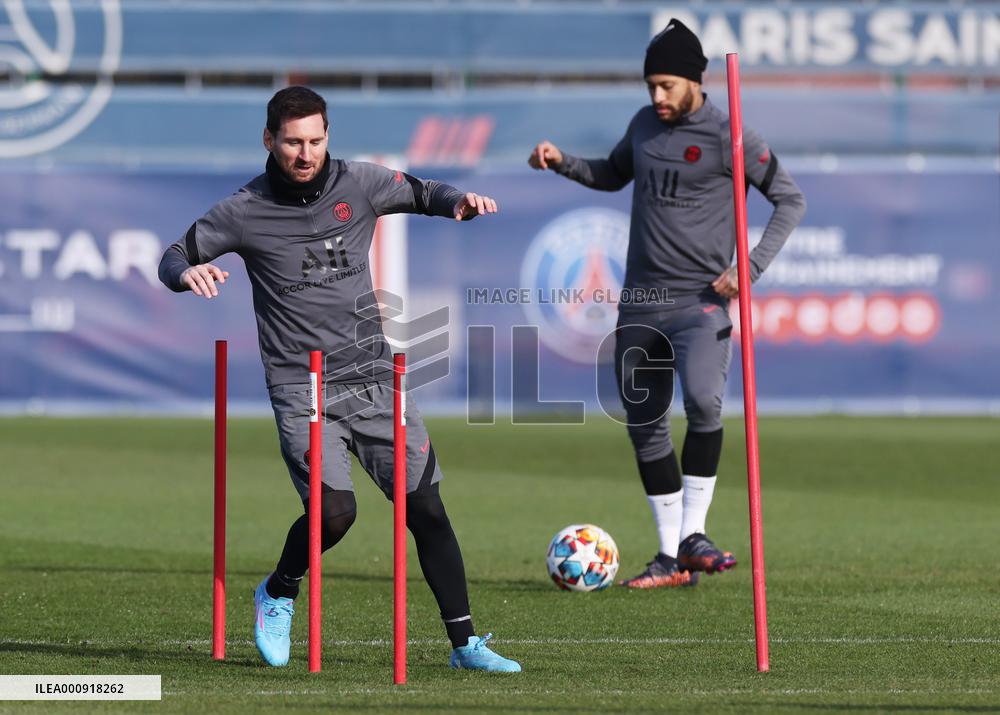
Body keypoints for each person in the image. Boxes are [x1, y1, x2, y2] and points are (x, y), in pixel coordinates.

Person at [159, 86, 521, 672]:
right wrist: (186, 274)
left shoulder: (361, 183)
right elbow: (174, 253)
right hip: (302, 386)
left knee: (426, 508)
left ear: (328, 136)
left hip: (374, 376)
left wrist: (459, 202)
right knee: (335, 513)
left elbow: (426, 192)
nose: (306, 153)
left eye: (316, 140)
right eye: (293, 142)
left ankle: (465, 646)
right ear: (269, 140)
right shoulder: (243, 209)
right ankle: (278, 592)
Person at [528, 20, 805, 589]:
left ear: (695, 83)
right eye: (650, 86)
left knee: (704, 404)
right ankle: (671, 558)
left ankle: (692, 536)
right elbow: (611, 175)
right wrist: (562, 162)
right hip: (640, 303)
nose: (656, 97)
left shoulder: (733, 137)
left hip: (700, 303)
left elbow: (789, 200)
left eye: (667, 86)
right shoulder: (643, 125)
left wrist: (749, 268)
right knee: (645, 424)